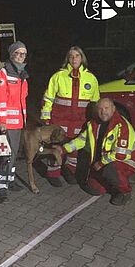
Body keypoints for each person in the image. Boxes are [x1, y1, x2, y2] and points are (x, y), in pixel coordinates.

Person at [54, 98, 135, 205]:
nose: (103, 111)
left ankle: (125, 192)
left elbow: (120, 155)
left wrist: (100, 163)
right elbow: (81, 140)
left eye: (106, 108)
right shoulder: (94, 124)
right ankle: (111, 184)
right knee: (93, 189)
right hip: (105, 162)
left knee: (110, 171)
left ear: (113, 109)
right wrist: (63, 149)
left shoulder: (122, 126)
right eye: (100, 108)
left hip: (127, 161)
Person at [40, 45, 99, 187]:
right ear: (68, 58)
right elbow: (48, 99)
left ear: (82, 58)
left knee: (74, 149)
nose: (74, 59)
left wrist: (95, 121)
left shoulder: (91, 79)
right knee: (56, 146)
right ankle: (53, 173)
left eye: (77, 56)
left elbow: (95, 103)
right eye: (71, 56)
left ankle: (70, 171)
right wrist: (46, 119)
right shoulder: (58, 76)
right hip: (59, 120)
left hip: (80, 122)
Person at [0, 41, 29, 203]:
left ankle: (10, 180)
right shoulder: (3, 74)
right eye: (18, 53)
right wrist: (1, 122)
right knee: (6, 156)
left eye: (23, 54)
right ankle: (1, 188)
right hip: (7, 125)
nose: (20, 56)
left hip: (18, 124)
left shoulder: (21, 74)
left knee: (13, 155)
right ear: (11, 54)